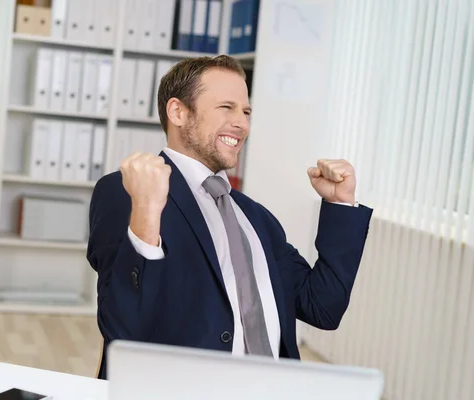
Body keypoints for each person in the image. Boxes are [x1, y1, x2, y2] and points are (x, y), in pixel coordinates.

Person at [86, 55, 373, 380]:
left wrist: (340, 205)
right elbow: (124, 329)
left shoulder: (256, 218)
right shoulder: (128, 191)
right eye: (227, 107)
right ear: (178, 112)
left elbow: (323, 308)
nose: (242, 123)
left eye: (246, 111)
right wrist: (147, 213)